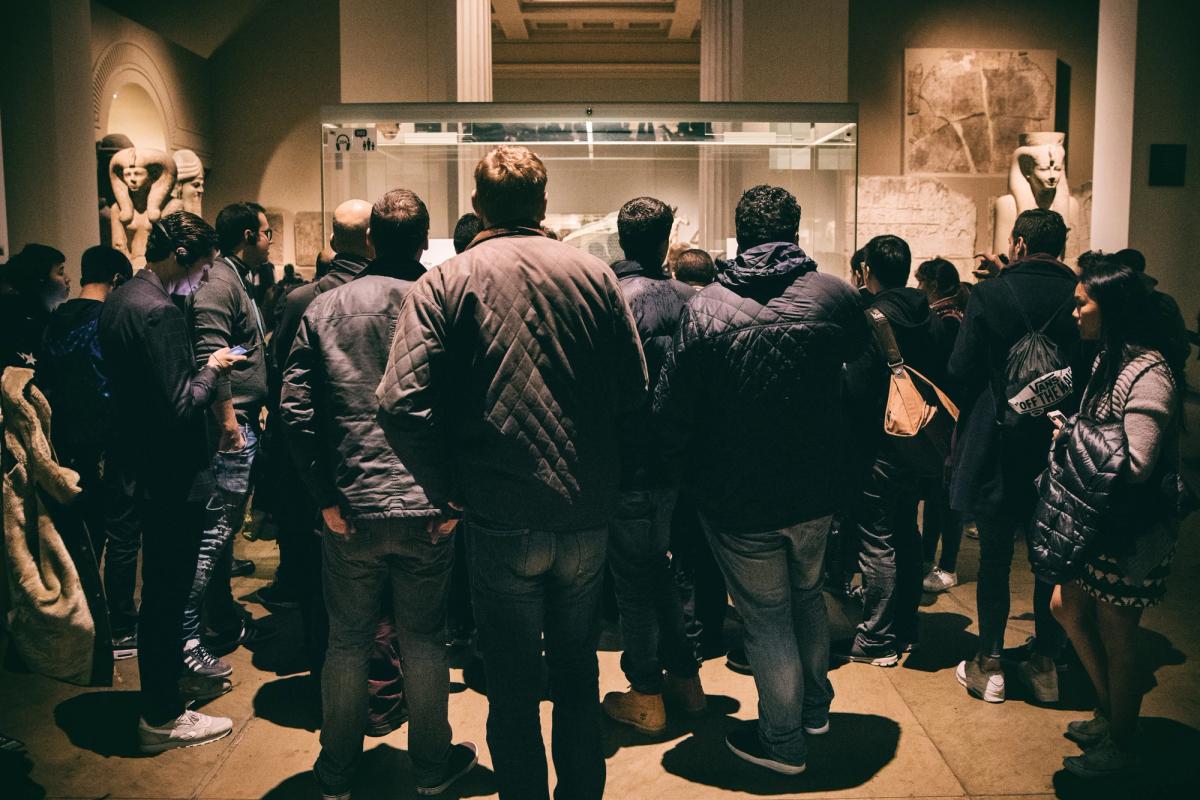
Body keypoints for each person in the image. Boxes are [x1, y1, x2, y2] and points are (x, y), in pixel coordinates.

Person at [377, 145, 647, 800]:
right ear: (544, 202)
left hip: (498, 514)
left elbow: (400, 404)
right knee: (578, 676)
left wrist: (446, 489)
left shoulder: (446, 280)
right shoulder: (594, 276)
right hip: (583, 511)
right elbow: (634, 391)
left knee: (513, 685)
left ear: (476, 204)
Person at [654, 185, 869, 775]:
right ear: (794, 231)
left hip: (738, 495)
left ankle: (783, 742)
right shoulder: (834, 295)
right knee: (807, 596)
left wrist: (677, 480)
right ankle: (815, 710)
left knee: (767, 617)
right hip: (817, 487)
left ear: (740, 233)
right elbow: (864, 377)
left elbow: (673, 411)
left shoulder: (707, 308)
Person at [281, 188, 477, 798]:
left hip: (352, 506)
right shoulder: (445, 302)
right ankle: (431, 770)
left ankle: (336, 774)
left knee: (346, 642)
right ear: (423, 239)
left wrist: (323, 497)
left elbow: (294, 410)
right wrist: (456, 498)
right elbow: (477, 406)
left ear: (369, 239)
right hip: (428, 507)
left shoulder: (326, 306)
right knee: (424, 641)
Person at [97, 212, 244, 753]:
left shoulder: (121, 298)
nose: (202, 280)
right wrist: (214, 367)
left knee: (157, 593)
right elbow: (182, 404)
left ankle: (162, 696)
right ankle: (161, 715)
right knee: (166, 594)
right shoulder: (160, 311)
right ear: (181, 255)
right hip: (171, 477)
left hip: (137, 467)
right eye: (203, 267)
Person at [1050, 256, 1185, 777]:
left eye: (1082, 303)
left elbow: (1137, 463)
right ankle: (1112, 714)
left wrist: (1073, 435)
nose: (1075, 312)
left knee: (1119, 636)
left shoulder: (1148, 372)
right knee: (1066, 605)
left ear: (1112, 308)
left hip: (1133, 530)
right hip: (1104, 523)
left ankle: (1122, 742)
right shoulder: (1112, 359)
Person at [951, 208, 1078, 704]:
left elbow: (961, 367)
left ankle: (990, 664)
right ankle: (1046, 664)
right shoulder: (1079, 294)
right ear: (1061, 246)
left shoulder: (991, 294)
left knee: (995, 558)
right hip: (1058, 445)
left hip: (998, 441)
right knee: (1051, 559)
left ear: (1018, 244)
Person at [601, 197, 705, 735]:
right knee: (661, 571)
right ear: (666, 242)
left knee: (633, 583)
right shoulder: (693, 300)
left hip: (625, 464)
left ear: (621, 239)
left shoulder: (610, 299)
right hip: (677, 466)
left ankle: (646, 694)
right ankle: (686, 680)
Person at [839, 235, 950, 666]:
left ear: (867, 270)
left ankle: (876, 638)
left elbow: (856, 390)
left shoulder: (870, 319)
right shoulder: (932, 318)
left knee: (877, 539)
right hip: (920, 444)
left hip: (878, 446)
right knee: (907, 530)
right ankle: (907, 627)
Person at [179, 202, 272, 681]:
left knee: (221, 538)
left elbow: (231, 348)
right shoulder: (220, 282)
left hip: (239, 420)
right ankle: (187, 639)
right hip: (227, 429)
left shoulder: (236, 278)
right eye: (268, 232)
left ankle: (218, 622)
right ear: (248, 235)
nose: (271, 241)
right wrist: (230, 423)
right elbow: (208, 355)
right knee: (212, 537)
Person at [37, 245, 141, 654]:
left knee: (82, 533)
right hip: (111, 442)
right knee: (122, 533)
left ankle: (82, 620)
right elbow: (111, 387)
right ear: (117, 280)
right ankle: (121, 625)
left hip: (66, 443)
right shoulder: (107, 321)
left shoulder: (54, 320)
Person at [914, 257, 970, 594]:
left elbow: (945, 373)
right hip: (951, 417)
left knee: (946, 495)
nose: (919, 289)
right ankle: (929, 559)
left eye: (921, 283)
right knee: (939, 492)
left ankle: (947, 564)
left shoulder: (947, 321)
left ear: (933, 285)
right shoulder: (955, 315)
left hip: (947, 418)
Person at [0, 244, 69, 370]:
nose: (68, 279)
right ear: (40, 279)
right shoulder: (22, 325)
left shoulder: (49, 318)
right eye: (60, 272)